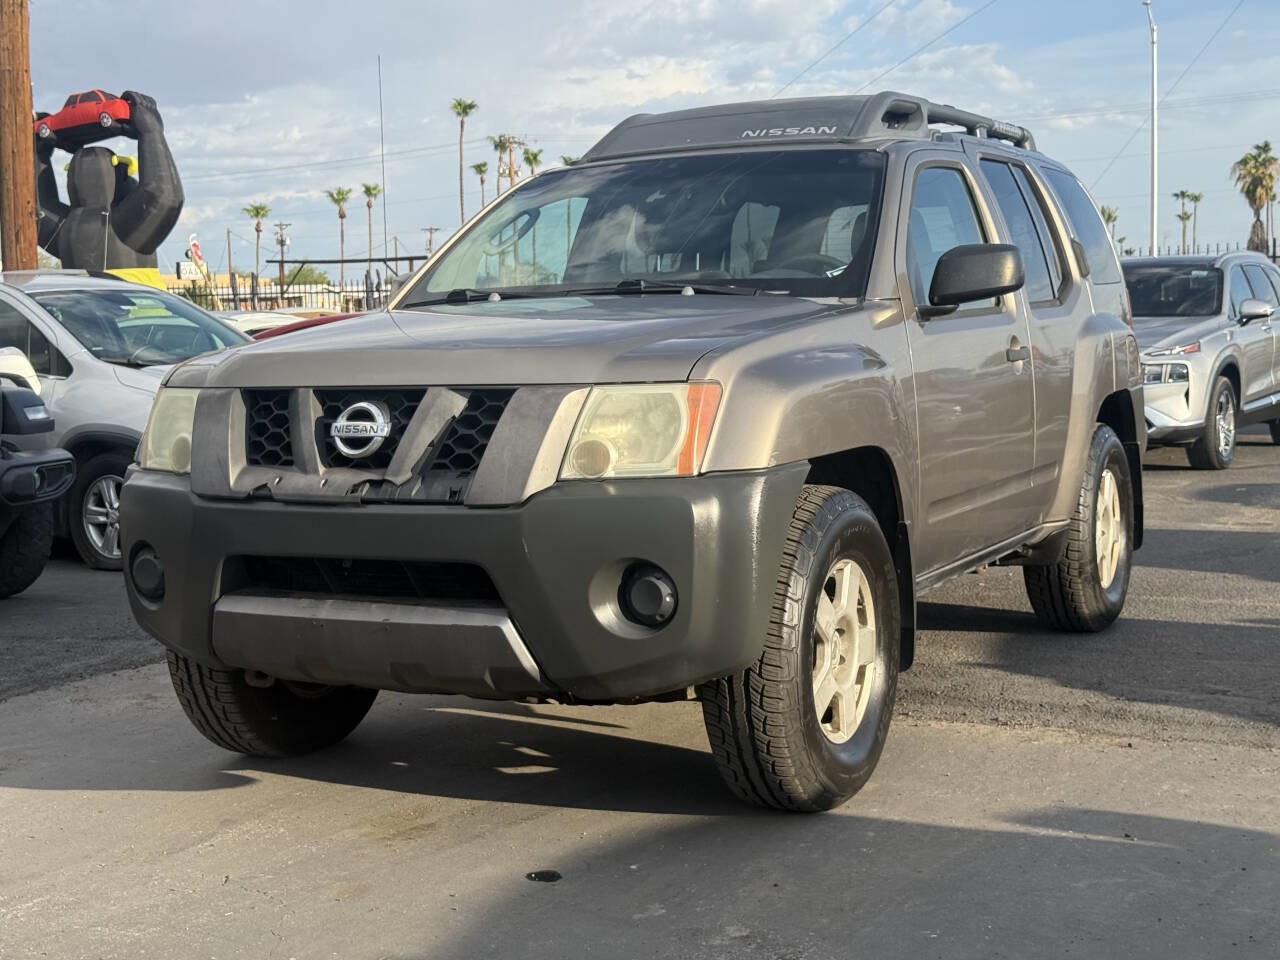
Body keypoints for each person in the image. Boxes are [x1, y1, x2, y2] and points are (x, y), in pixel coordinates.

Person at [33, 91, 183, 289]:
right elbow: (163, 196)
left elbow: (35, 207)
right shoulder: (122, 225)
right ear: (115, 173)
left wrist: (37, 153)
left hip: (85, 314)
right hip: (138, 313)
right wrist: (151, 132)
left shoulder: (67, 229)